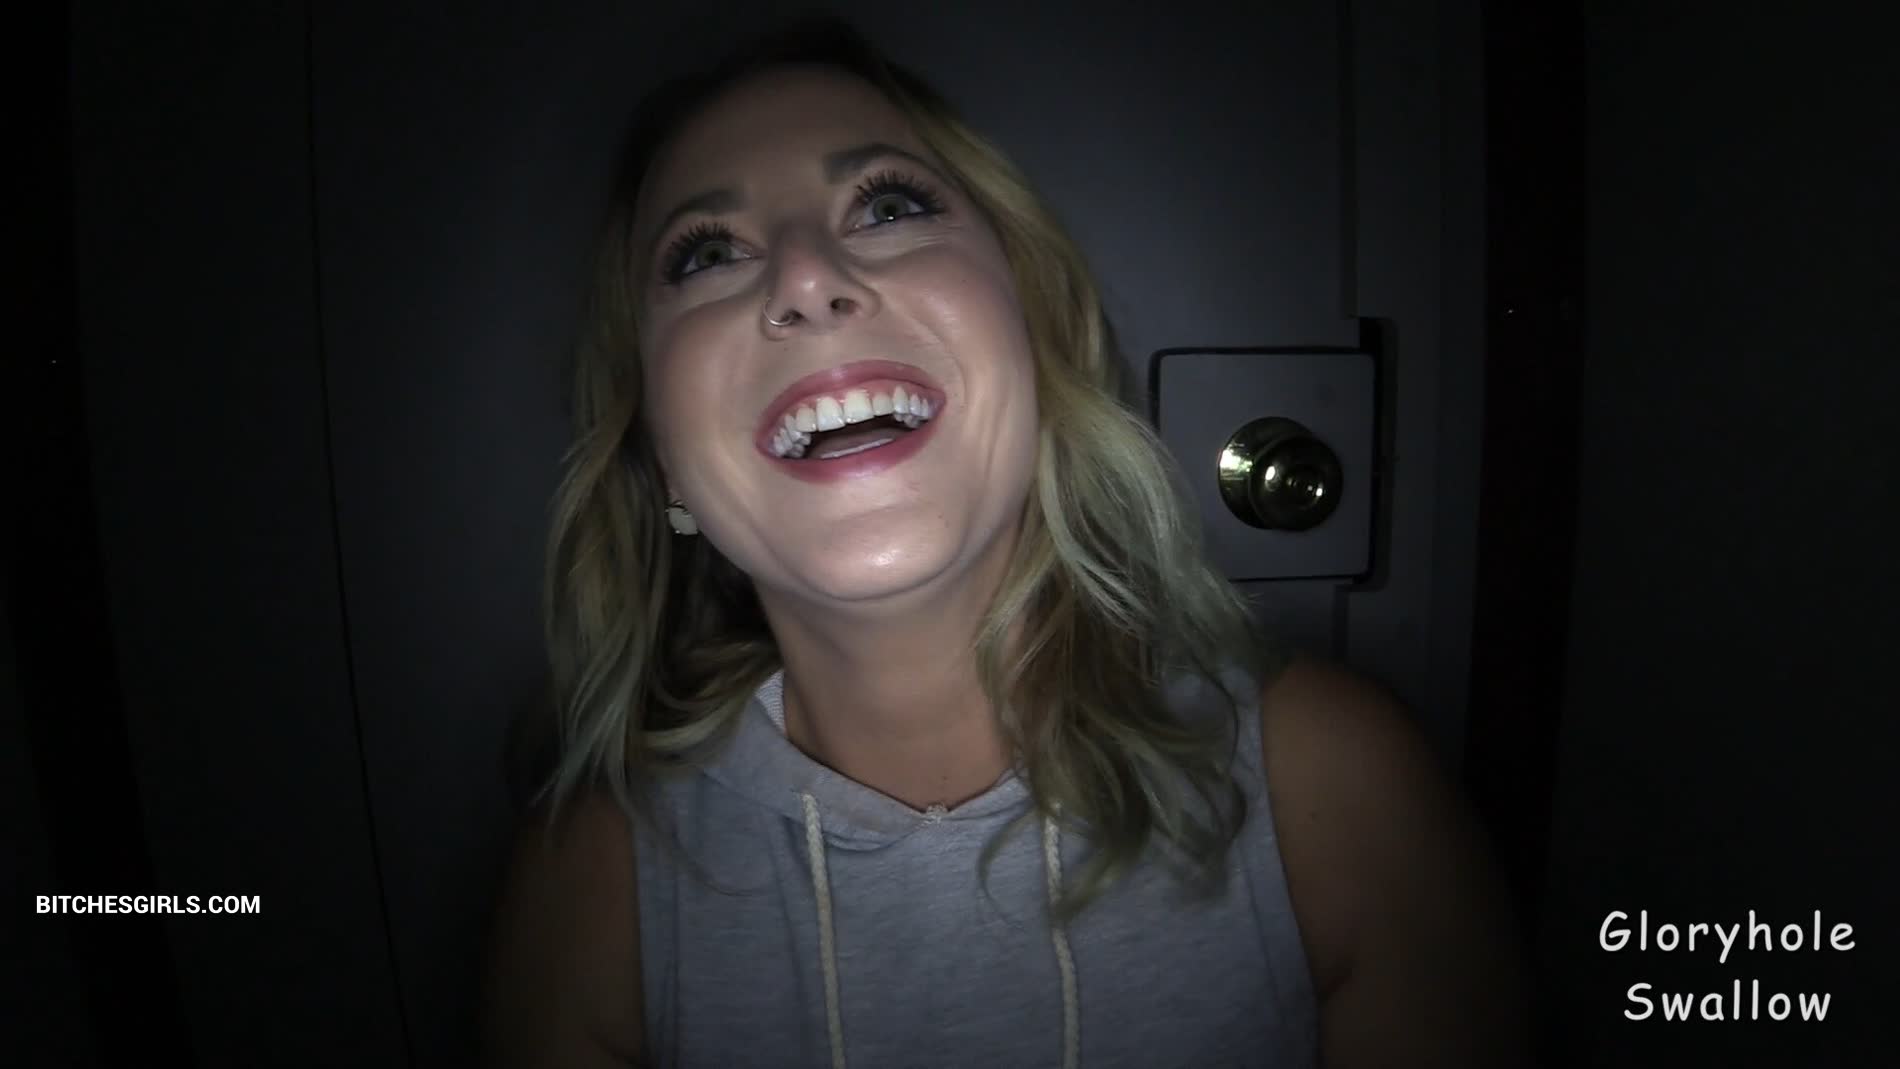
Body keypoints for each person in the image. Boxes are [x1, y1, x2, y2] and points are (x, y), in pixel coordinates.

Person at [483, 16, 1527, 1069]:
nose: (802, 275)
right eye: (707, 254)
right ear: (662, 457)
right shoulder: (589, 883)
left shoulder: (1336, 786)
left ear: (1035, 339)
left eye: (888, 205)